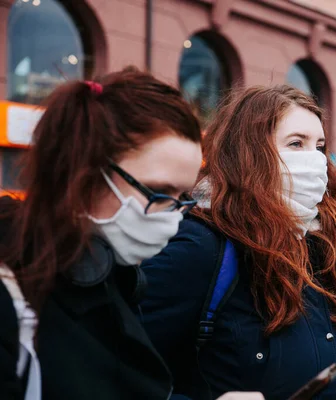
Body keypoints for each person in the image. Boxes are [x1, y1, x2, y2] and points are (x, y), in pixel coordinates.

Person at [0, 67, 262, 400]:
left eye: (183, 198)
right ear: (86, 172)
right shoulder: (13, 294)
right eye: (157, 191)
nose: (173, 216)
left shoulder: (113, 276)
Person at [138, 85, 336, 399]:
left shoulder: (319, 245)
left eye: (319, 147)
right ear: (251, 153)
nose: (315, 160)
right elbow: (115, 369)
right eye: (296, 143)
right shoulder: (202, 247)